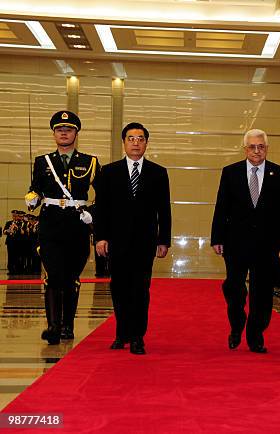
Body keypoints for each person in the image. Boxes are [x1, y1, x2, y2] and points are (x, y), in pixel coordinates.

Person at [211, 128, 280, 354]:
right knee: (234, 288)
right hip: (235, 242)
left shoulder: (279, 174)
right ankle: (237, 324)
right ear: (245, 149)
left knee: (263, 290)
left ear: (266, 148)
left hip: (266, 243)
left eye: (261, 147)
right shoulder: (231, 172)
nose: (256, 151)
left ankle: (256, 334)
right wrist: (217, 237)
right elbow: (222, 207)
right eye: (252, 146)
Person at [94, 122, 171, 355]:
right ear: (124, 142)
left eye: (140, 138)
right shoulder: (108, 172)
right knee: (119, 288)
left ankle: (138, 336)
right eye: (131, 138)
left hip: (145, 242)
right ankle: (122, 333)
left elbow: (164, 209)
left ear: (146, 143)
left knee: (140, 289)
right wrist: (100, 238)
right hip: (116, 241)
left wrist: (163, 240)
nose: (135, 142)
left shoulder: (158, 172)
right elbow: (102, 209)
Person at [25, 110, 100, 344]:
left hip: (77, 225)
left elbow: (106, 196)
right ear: (54, 134)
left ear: (76, 133)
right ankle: (53, 327)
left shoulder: (90, 162)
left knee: (71, 277)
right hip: (50, 224)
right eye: (59, 129)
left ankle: (68, 325)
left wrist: (92, 213)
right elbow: (35, 188)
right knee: (53, 275)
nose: (64, 132)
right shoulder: (42, 161)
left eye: (68, 129)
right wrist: (32, 198)